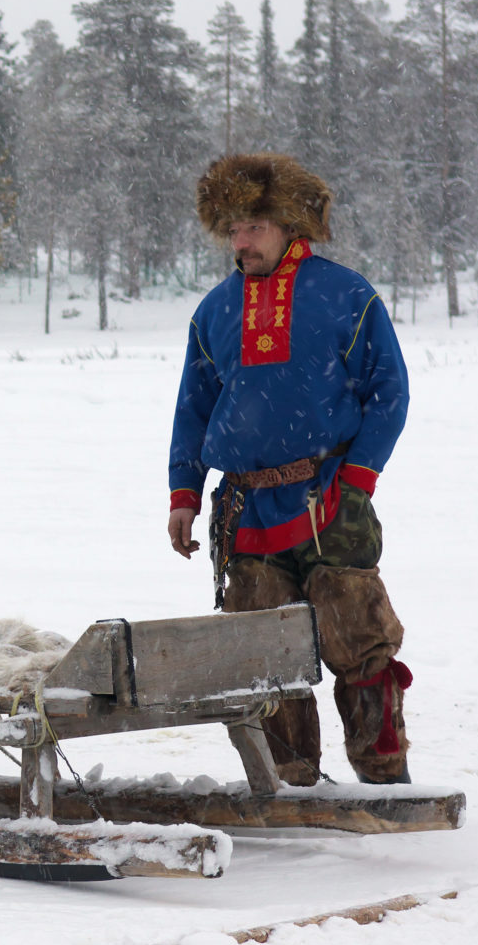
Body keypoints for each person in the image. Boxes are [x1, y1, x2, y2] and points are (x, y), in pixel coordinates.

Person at [166, 153, 413, 785]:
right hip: (246, 511)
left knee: (358, 644)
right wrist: (184, 493)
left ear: (287, 224)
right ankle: (290, 794)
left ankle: (386, 784)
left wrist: (358, 480)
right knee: (262, 660)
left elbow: (390, 391)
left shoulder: (345, 295)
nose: (238, 241)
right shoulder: (214, 311)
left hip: (329, 498)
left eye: (251, 226)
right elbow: (193, 410)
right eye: (231, 229)